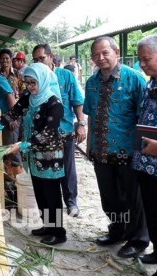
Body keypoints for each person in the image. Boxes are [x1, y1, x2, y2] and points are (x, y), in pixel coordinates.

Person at [0, 63, 66, 245]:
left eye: (33, 83)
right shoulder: (29, 96)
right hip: (34, 157)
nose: (30, 87)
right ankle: (47, 226)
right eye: (27, 83)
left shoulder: (54, 103)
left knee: (51, 195)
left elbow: (47, 135)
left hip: (50, 157)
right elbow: (13, 114)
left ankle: (58, 232)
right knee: (40, 192)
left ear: (43, 81)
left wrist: (21, 145)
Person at [84, 36, 149, 258]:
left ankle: (138, 239)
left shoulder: (134, 79)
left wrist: (142, 149)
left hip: (129, 151)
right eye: (95, 54)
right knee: (109, 197)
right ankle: (117, 230)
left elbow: (145, 117)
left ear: (116, 53)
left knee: (132, 197)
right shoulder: (91, 83)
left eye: (105, 53)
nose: (100, 58)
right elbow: (91, 115)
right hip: (100, 150)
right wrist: (89, 145)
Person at [32, 44, 86, 218]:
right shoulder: (36, 79)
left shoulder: (65, 76)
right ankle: (51, 218)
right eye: (35, 59)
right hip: (44, 137)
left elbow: (77, 100)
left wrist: (81, 123)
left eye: (41, 58)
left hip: (64, 130)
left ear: (50, 57)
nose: (39, 62)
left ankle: (71, 202)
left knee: (67, 167)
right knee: (49, 173)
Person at [132, 35, 157, 264]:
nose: (142, 64)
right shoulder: (151, 82)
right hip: (146, 164)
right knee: (152, 212)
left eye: (146, 59)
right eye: (140, 59)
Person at [0, 63, 22, 181]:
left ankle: (19, 185)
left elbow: (10, 96)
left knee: (12, 151)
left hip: (9, 119)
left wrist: (13, 118)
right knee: (7, 151)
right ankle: (12, 180)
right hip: (1, 119)